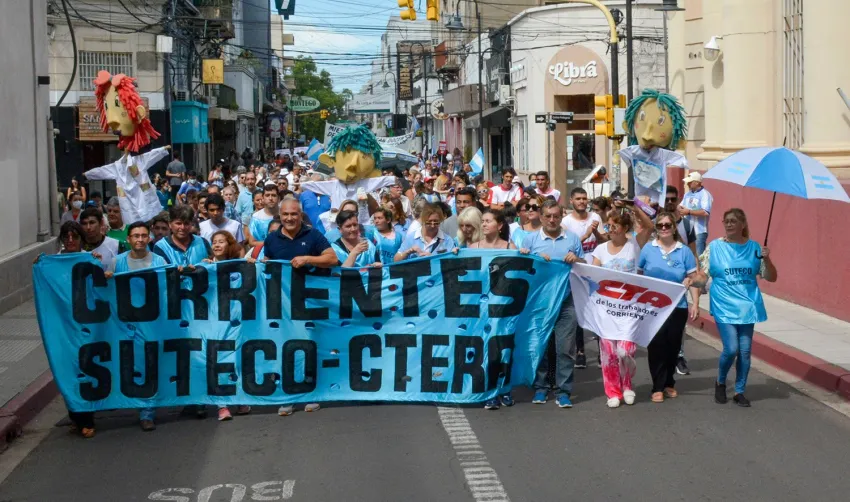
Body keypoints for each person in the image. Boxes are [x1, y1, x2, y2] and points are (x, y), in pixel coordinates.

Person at [689, 208, 777, 408]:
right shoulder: (715, 247)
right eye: (726, 221)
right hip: (724, 305)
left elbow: (771, 277)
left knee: (745, 351)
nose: (728, 224)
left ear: (742, 224)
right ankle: (720, 381)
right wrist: (693, 281)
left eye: (733, 221)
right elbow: (704, 275)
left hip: (748, 306)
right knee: (732, 348)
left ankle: (739, 391)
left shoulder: (755, 248)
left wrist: (767, 258)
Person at [263, 199, 338, 416]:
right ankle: (289, 396)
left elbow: (332, 259)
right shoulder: (271, 239)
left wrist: (308, 259)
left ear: (301, 214)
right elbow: (265, 264)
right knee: (285, 347)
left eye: (294, 214)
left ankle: (311, 392)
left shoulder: (313, 235)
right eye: (285, 214)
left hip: (310, 302)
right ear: (280, 215)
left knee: (309, 346)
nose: (289, 218)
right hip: (283, 305)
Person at [102, 221, 168, 431]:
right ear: (128, 239)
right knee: (128, 367)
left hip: (151, 326)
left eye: (143, 235)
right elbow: (106, 291)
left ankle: (147, 412)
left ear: (149, 238)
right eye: (135, 236)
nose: (140, 239)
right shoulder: (116, 262)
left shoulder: (159, 261)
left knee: (150, 367)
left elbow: (167, 292)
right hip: (124, 326)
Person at [520, 199, 584, 408]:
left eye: (556, 216)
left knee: (565, 349)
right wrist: (531, 258)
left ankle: (563, 390)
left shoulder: (572, 239)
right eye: (548, 216)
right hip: (540, 304)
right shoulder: (530, 239)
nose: (552, 220)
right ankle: (541, 387)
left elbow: (585, 268)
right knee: (540, 346)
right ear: (540, 216)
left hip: (566, 302)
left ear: (561, 215)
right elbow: (522, 269)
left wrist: (577, 259)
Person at [589, 207, 653, 408]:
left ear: (625, 227)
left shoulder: (634, 245)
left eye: (615, 225)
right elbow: (594, 274)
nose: (610, 229)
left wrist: (636, 207)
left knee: (625, 351)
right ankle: (613, 392)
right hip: (606, 309)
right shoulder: (600, 250)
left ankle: (627, 385)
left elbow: (650, 226)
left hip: (629, 309)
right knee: (608, 353)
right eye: (608, 225)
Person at [637, 211, 701, 403]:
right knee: (656, 345)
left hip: (677, 306)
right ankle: (657, 386)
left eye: (667, 225)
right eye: (660, 225)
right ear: (656, 229)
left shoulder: (684, 252)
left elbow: (693, 278)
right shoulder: (648, 249)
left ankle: (669, 383)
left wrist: (695, 303)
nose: (664, 228)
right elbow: (639, 276)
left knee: (673, 346)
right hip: (652, 307)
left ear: (674, 228)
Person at [466, 209, 517, 410]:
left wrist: (522, 255)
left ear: (500, 225)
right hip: (481, 308)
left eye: (488, 221)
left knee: (504, 349)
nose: (484, 224)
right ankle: (489, 391)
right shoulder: (472, 247)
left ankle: (504, 389)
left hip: (504, 308)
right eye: (483, 221)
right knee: (486, 349)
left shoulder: (510, 247)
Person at [561, 187, 606, 369]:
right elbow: (565, 247)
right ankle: (580, 351)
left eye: (584, 198)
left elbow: (603, 241)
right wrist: (586, 235)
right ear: (571, 201)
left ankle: (603, 349)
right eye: (578, 198)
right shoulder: (566, 222)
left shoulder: (595, 217)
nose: (582, 201)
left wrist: (595, 233)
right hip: (575, 270)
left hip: (594, 268)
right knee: (578, 309)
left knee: (598, 308)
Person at [664, 185, 697, 376]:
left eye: (673, 199)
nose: (669, 202)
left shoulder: (687, 225)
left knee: (679, 324)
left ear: (678, 201)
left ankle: (679, 355)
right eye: (666, 199)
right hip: (659, 281)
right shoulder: (656, 223)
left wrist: (696, 287)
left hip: (679, 281)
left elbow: (692, 254)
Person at [680, 171, 713, 256]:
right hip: (687, 230)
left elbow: (706, 212)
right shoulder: (687, 194)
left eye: (690, 182)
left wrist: (689, 212)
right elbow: (680, 206)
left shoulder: (705, 194)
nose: (688, 183)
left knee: (698, 257)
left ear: (697, 182)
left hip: (699, 231)